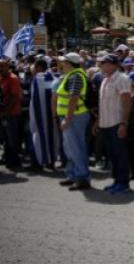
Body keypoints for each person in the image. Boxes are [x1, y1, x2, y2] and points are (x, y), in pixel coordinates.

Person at [54, 53, 91, 191]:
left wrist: (67, 119)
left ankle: (82, 178)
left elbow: (73, 98)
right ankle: (73, 175)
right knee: (70, 148)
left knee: (76, 148)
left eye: (63, 62)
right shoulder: (71, 75)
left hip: (75, 117)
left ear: (69, 63)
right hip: (72, 116)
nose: (61, 64)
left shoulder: (75, 76)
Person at [97, 54, 133, 194]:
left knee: (120, 154)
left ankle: (123, 183)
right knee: (112, 155)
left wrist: (124, 123)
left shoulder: (122, 79)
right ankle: (117, 181)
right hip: (105, 124)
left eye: (105, 63)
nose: (102, 66)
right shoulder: (105, 80)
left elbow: (127, 102)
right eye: (102, 63)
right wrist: (97, 123)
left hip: (116, 123)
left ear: (114, 65)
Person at [28, 58, 59, 169]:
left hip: (39, 115)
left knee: (38, 136)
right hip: (52, 114)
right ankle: (51, 161)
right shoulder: (55, 77)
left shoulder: (37, 78)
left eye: (34, 67)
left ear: (38, 67)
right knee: (53, 137)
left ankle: (41, 161)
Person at [0, 59, 23, 168]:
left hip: (11, 113)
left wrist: (6, 112)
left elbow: (15, 97)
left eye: (2, 66)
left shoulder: (13, 79)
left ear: (7, 66)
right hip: (0, 113)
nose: (0, 69)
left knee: (12, 138)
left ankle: (14, 160)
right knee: (4, 137)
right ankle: (7, 157)